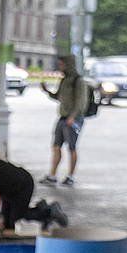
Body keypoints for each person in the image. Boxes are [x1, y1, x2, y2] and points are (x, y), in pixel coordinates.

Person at [0, 147, 67, 233]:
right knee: (8, 225)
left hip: (22, 186)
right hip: (8, 190)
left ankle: (48, 212)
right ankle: (41, 209)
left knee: (16, 219)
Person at [39, 54, 86, 186]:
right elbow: (59, 97)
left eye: (62, 64)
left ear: (68, 64)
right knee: (56, 146)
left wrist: (72, 117)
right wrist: (47, 91)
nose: (60, 66)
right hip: (62, 117)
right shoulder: (64, 79)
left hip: (73, 119)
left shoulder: (78, 80)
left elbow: (80, 102)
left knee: (72, 147)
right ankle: (52, 175)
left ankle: (71, 176)